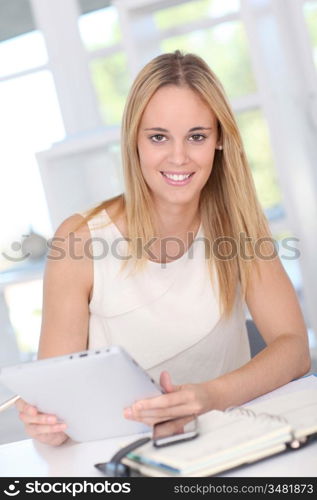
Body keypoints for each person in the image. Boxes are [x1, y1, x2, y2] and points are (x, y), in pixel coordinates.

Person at [16, 50, 311, 446]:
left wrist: (210, 396)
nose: (178, 157)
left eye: (197, 136)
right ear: (133, 142)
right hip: (124, 456)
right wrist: (47, 428)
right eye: (158, 137)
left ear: (219, 139)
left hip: (227, 441)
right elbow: (56, 410)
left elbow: (294, 349)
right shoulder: (80, 241)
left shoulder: (239, 226)